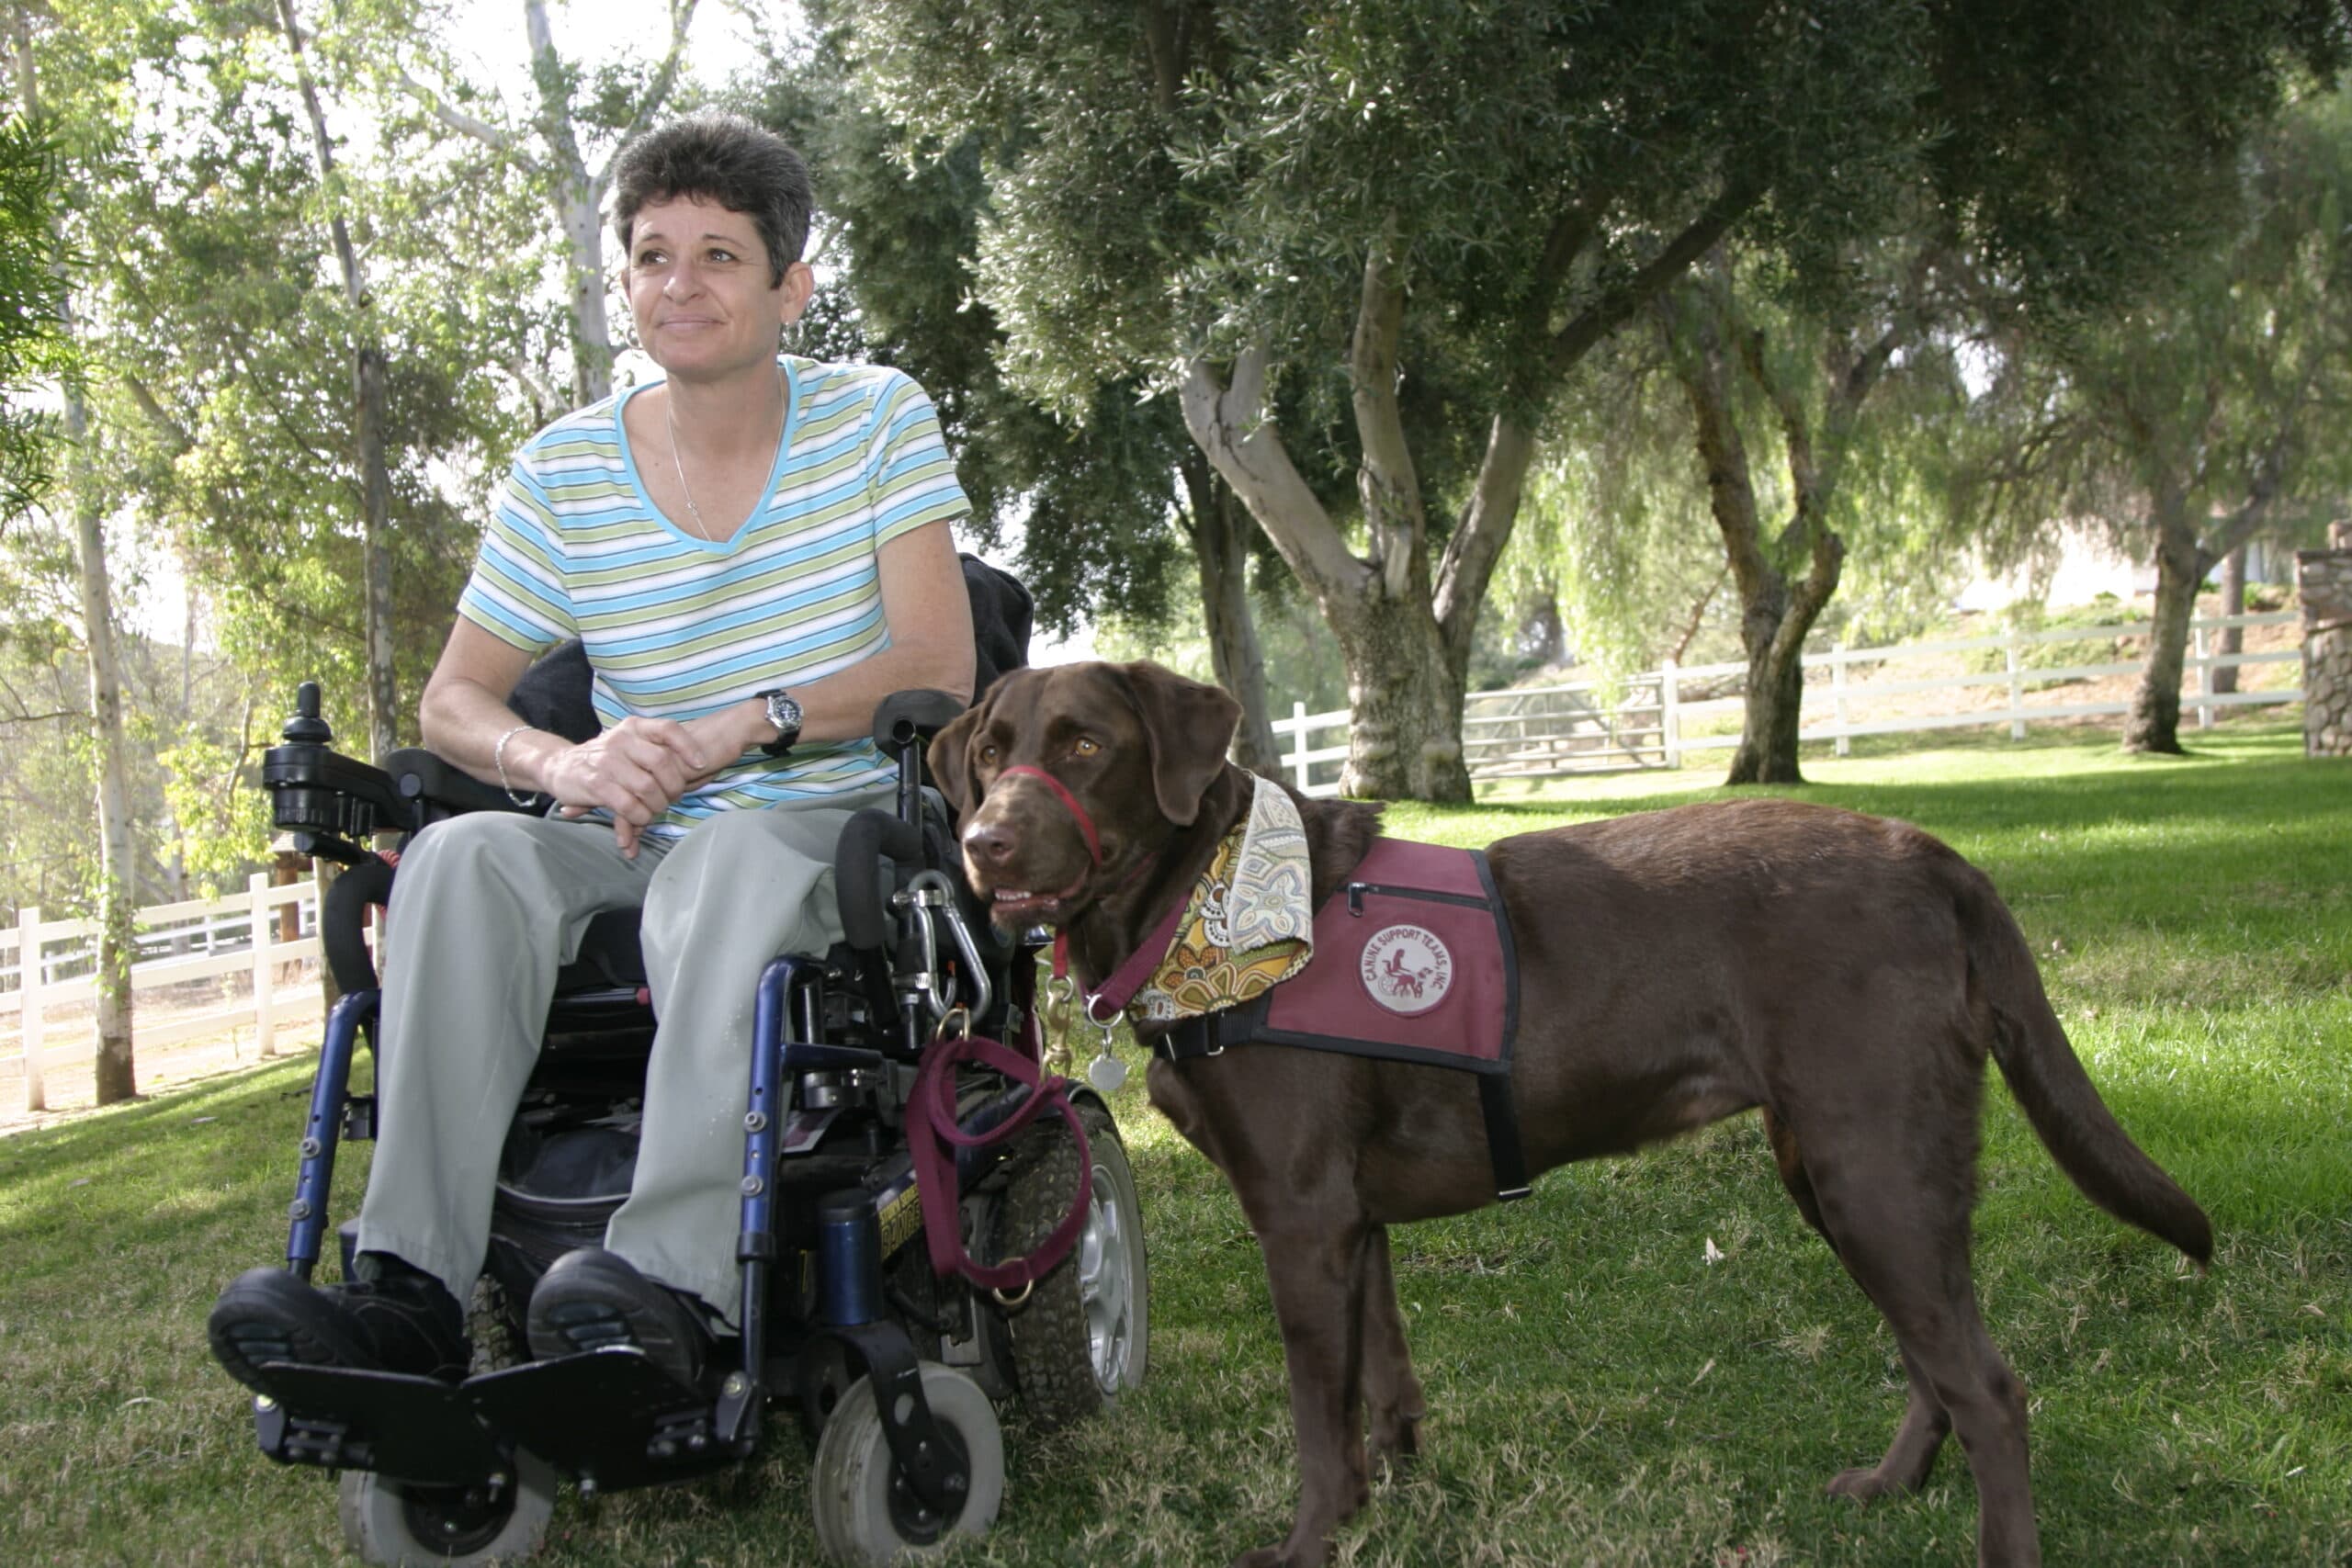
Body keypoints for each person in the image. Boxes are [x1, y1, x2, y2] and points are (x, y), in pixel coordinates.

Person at [207, 112, 976, 1393]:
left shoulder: (875, 419)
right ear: (623, 283)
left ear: (791, 286)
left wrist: (752, 719)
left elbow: (937, 667)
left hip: (827, 828)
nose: (681, 283)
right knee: (457, 862)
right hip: (627, 835)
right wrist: (564, 765)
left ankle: (669, 1284)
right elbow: (456, 701)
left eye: (721, 256)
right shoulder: (563, 471)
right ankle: (410, 1289)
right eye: (653, 254)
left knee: (727, 854)